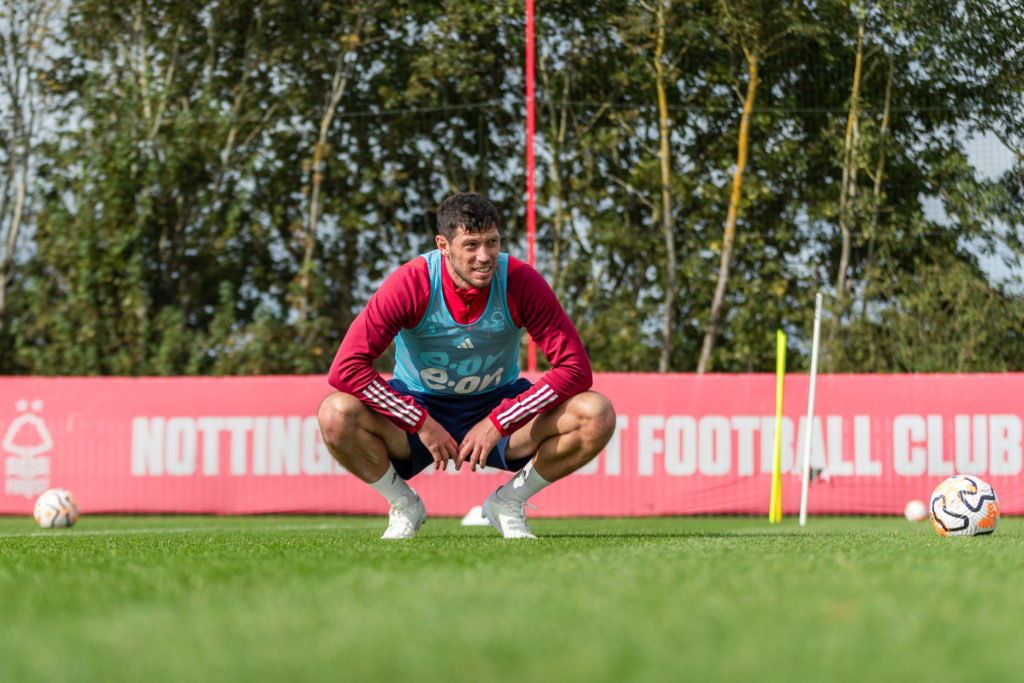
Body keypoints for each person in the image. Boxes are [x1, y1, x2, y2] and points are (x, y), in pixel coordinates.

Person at [317, 192, 615, 539]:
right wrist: (419, 421)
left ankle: (509, 501)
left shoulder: (520, 280)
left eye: (492, 242)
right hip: (418, 409)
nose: (485, 257)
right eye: (471, 245)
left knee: (597, 414)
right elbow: (346, 368)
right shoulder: (412, 282)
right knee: (334, 414)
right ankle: (403, 504)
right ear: (443, 245)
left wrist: (500, 421)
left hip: (498, 405)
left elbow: (575, 369)